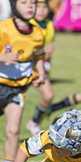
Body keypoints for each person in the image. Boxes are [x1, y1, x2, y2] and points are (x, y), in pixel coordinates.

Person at [0, 0, 45, 162]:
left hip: (17, 90)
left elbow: (38, 56)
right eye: (24, 2)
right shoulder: (4, 28)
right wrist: (3, 58)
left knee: (13, 130)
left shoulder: (38, 33)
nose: (30, 6)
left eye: (33, 3)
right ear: (13, 5)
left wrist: (40, 73)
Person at [27, 0, 56, 135]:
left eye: (44, 7)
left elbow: (49, 47)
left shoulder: (49, 25)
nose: (41, 10)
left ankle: (34, 122)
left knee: (48, 95)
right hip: (21, 66)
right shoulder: (27, 24)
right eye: (38, 7)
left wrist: (46, 63)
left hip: (38, 67)